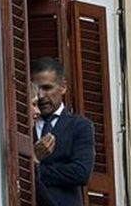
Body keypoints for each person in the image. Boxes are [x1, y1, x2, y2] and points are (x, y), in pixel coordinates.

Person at [31, 57, 94, 206]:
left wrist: (36, 170)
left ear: (63, 87)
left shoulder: (79, 126)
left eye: (47, 88)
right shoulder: (24, 124)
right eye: (36, 88)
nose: (41, 96)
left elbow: (81, 173)